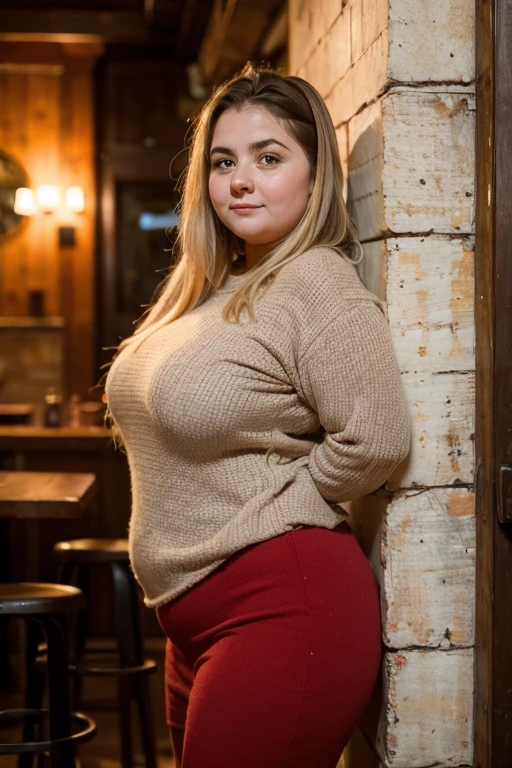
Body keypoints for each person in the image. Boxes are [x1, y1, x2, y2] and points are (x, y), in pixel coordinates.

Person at [105, 63, 410, 768]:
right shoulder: (219, 286)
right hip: (191, 620)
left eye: (268, 158)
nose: (239, 180)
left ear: (314, 174)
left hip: (282, 608)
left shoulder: (315, 282)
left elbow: (379, 438)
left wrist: (283, 503)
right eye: (223, 162)